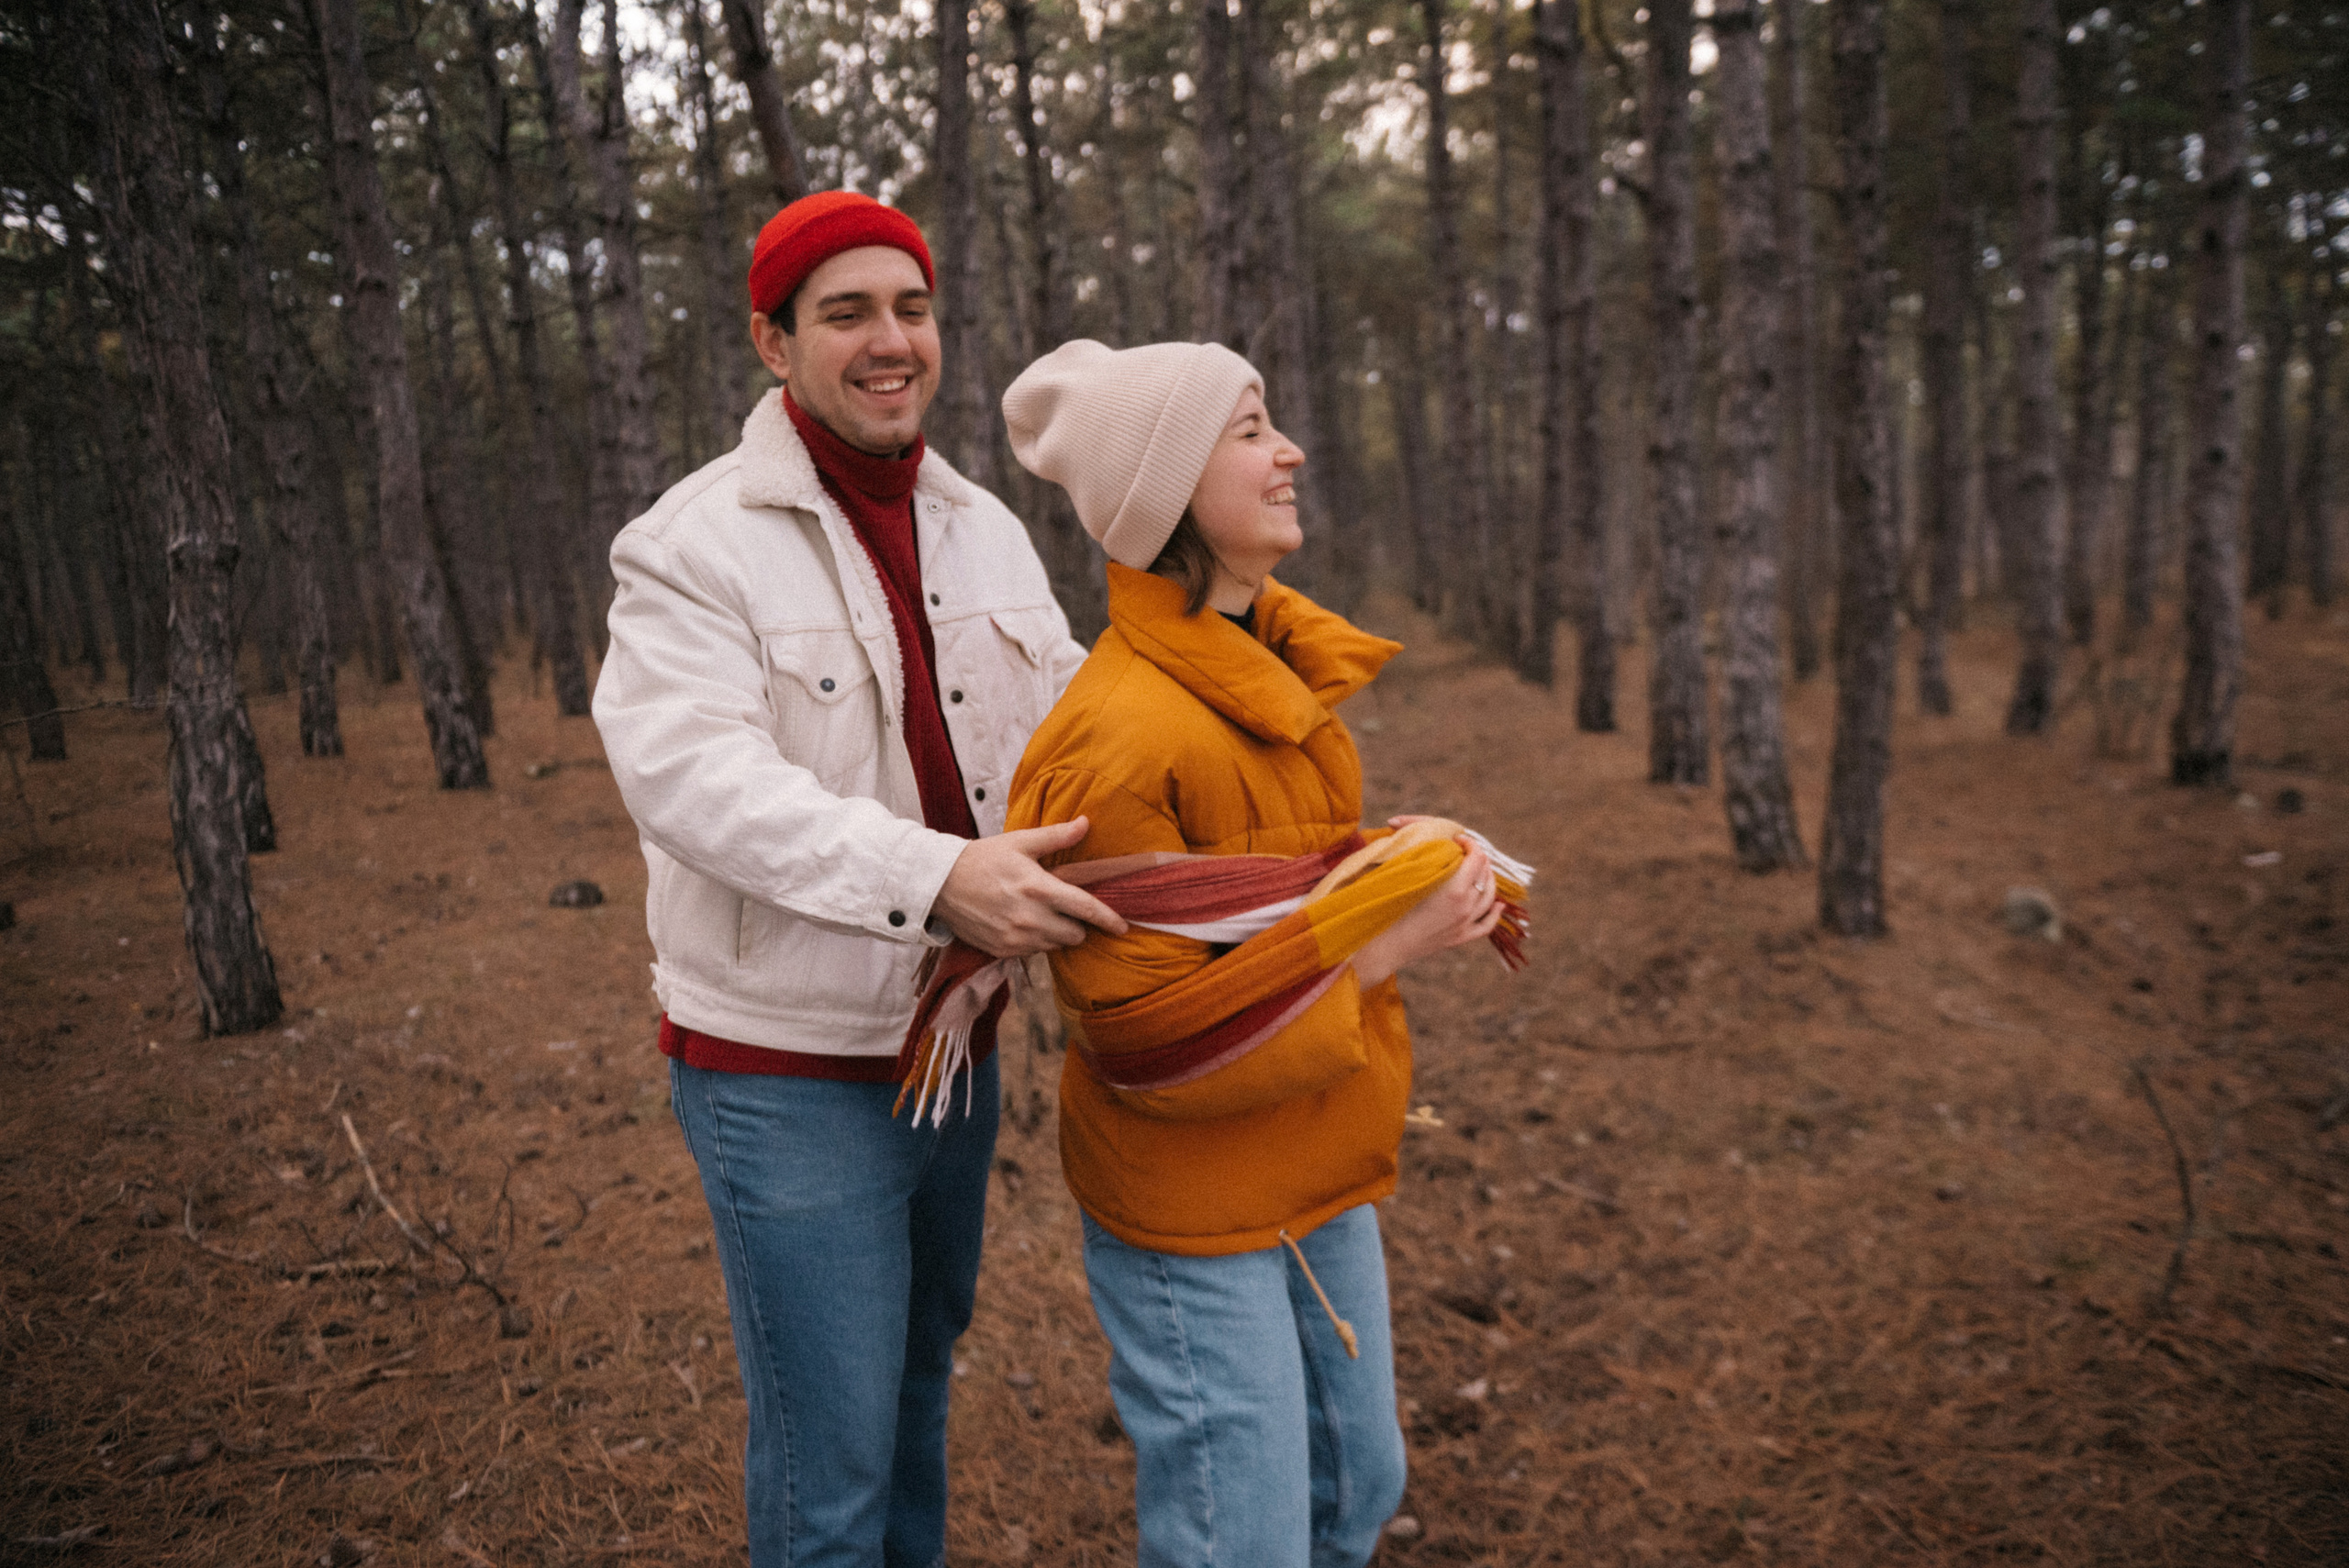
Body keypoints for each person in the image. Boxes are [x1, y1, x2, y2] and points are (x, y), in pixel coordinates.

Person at [591, 191, 1125, 1568]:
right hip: (787, 1071)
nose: (892, 341)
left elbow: (1080, 728)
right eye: (847, 314)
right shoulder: (692, 543)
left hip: (953, 1049)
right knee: (830, 1460)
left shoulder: (982, 527)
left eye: (912, 309)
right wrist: (939, 878)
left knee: (914, 1397)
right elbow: (697, 781)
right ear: (774, 344)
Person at [993, 339, 1516, 1567]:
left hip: (1311, 1156)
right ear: (1168, 492)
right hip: (1193, 1206)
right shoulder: (1117, 736)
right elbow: (1144, 1038)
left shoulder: (1270, 673)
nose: (1291, 452)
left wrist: (1386, 881)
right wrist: (1377, 943)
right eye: (1249, 431)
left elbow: (1272, 905)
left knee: (1355, 1488)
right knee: (1244, 1537)